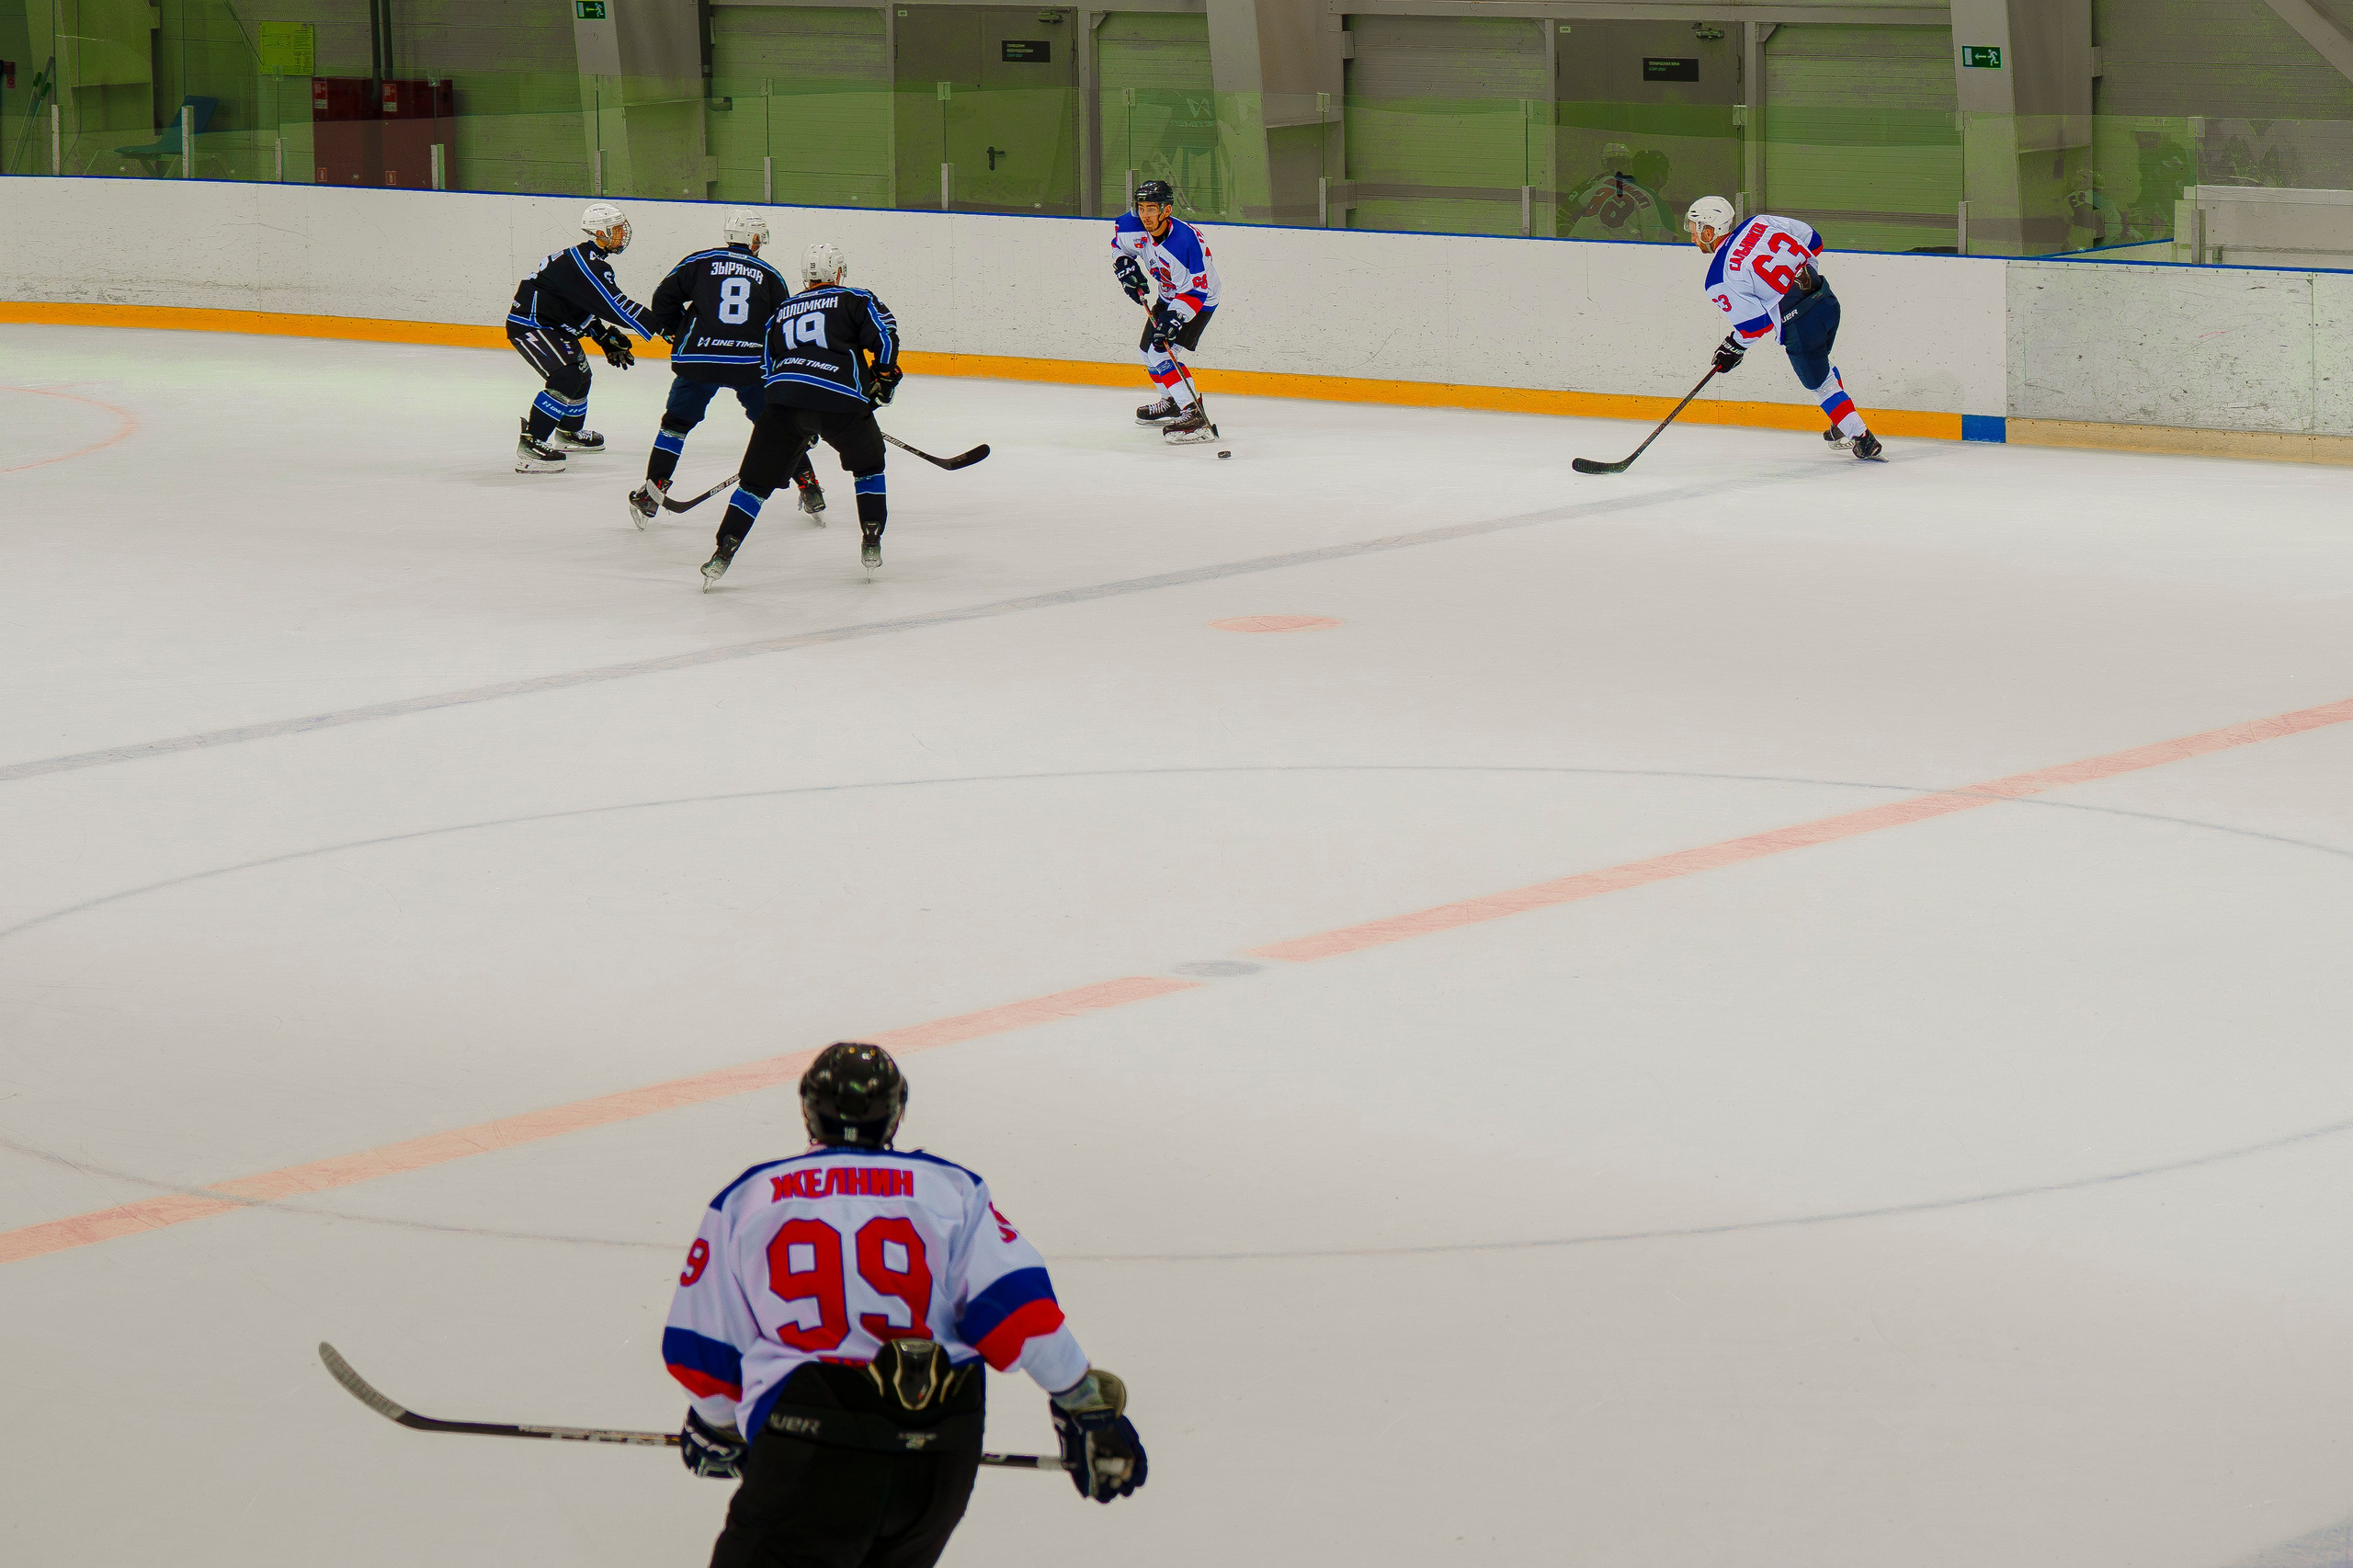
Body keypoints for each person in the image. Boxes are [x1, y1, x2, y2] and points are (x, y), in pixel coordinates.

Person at [664, 1042, 1147, 1567]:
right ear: (896, 1113)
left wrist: (719, 1427)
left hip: (809, 1446)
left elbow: (703, 1349)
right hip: (937, 1456)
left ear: (807, 1109)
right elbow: (1021, 1313)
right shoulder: (950, 1190)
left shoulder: (749, 1199)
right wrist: (1083, 1402)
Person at [700, 244, 902, 589]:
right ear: (838, 273)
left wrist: (798, 419)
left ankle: (724, 550)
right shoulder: (856, 298)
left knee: (754, 485)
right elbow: (884, 338)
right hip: (841, 402)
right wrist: (883, 378)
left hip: (783, 403)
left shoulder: (780, 311)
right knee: (868, 466)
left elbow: (766, 366)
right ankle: (871, 537)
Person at [630, 210, 824, 528]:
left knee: (676, 425)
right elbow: (784, 325)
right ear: (755, 239)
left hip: (699, 359)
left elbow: (663, 299)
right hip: (748, 364)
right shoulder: (769, 274)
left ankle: (654, 491)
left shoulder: (699, 261)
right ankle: (809, 486)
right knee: (777, 426)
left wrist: (680, 332)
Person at [1686, 196, 1883, 461]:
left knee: (1821, 386)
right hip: (1827, 301)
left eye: (1695, 229)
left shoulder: (1718, 277)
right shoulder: (1760, 222)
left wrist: (1734, 346)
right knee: (1821, 364)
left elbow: (1757, 325)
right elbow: (1815, 241)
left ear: (1709, 231)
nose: (1692, 237)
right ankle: (1840, 424)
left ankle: (1862, 438)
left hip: (1801, 325)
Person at [506, 201, 654, 473]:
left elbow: (582, 306)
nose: (623, 234)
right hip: (531, 324)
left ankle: (569, 434)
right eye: (617, 229)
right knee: (566, 376)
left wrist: (603, 338)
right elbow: (614, 304)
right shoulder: (586, 264)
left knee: (582, 376)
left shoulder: (588, 260)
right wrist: (663, 325)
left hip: (554, 324)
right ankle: (532, 443)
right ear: (600, 233)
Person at [1110, 178, 1222, 445]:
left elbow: (1197, 291)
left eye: (1152, 209)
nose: (1145, 215)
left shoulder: (1185, 242)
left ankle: (1193, 413)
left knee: (1160, 351)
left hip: (1199, 299)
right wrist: (1125, 266)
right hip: (1168, 294)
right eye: (1141, 208)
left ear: (1167, 210)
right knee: (1145, 350)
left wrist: (1176, 317)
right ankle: (1172, 401)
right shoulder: (1130, 226)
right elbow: (1119, 247)